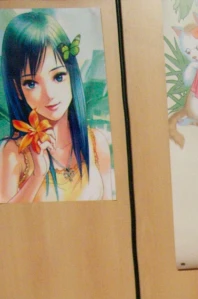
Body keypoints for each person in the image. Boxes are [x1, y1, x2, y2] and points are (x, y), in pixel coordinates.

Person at [0, 11, 113, 202]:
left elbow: (111, 216)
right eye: (31, 83)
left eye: (58, 76)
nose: (50, 94)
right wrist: (37, 176)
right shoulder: (14, 153)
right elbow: (6, 226)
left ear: (72, 74)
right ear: (17, 90)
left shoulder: (96, 142)